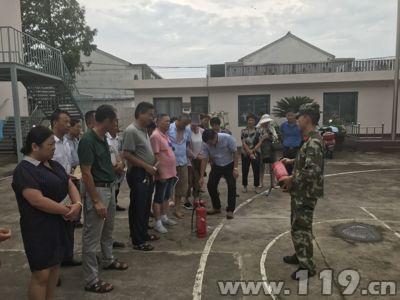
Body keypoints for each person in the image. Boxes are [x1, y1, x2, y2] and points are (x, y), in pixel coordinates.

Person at [12, 126, 82, 300]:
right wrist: (67, 210)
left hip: (60, 224)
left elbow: (69, 183)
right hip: (39, 227)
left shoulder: (53, 164)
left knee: (54, 268)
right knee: (41, 274)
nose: (54, 148)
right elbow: (37, 200)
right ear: (35, 147)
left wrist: (77, 203)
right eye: (50, 144)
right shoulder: (24, 170)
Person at [79, 105, 128, 294]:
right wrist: (97, 200)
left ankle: (107, 260)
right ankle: (91, 279)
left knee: (108, 230)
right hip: (98, 190)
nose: (116, 124)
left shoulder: (102, 139)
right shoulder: (88, 140)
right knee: (92, 237)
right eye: (114, 120)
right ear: (106, 120)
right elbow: (86, 173)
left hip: (109, 187)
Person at [280, 103, 324, 280]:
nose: (297, 120)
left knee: (301, 228)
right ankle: (300, 255)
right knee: (297, 226)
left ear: (307, 118)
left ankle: (307, 266)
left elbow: (313, 171)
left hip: (305, 193)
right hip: (300, 193)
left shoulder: (313, 142)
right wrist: (292, 161)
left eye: (299, 117)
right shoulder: (309, 140)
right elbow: (306, 162)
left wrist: (291, 179)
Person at [122, 102, 159, 251]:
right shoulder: (131, 130)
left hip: (147, 172)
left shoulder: (143, 130)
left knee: (144, 207)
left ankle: (143, 233)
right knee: (138, 206)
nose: (152, 117)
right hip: (139, 173)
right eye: (150, 114)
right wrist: (146, 166)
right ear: (141, 113)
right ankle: (137, 241)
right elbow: (127, 154)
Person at [50, 110, 82, 268]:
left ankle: (67, 257)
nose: (68, 124)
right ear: (55, 123)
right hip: (53, 190)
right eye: (66, 121)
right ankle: (53, 265)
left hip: (68, 186)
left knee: (69, 225)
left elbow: (69, 164)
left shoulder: (66, 143)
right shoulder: (49, 143)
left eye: (69, 121)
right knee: (55, 230)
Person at [199, 129, 239, 219]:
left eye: (212, 142)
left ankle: (230, 210)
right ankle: (216, 207)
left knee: (232, 186)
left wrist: (235, 168)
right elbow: (204, 159)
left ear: (215, 135)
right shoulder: (205, 144)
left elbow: (235, 152)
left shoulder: (227, 138)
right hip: (216, 165)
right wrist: (201, 177)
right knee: (211, 185)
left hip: (229, 164)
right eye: (209, 143)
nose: (211, 144)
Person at [150, 114, 178, 234]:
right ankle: (157, 222)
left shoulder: (165, 135)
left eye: (169, 121)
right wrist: (159, 173)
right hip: (163, 174)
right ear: (158, 122)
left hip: (170, 172)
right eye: (165, 121)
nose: (168, 123)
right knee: (158, 198)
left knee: (166, 197)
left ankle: (164, 217)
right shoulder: (155, 136)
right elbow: (155, 156)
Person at [167, 114, 191, 218]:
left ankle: (177, 209)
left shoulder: (187, 130)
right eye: (183, 124)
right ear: (178, 120)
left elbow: (186, 144)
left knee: (182, 187)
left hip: (183, 162)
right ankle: (164, 211)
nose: (185, 126)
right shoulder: (169, 128)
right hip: (170, 163)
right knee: (167, 186)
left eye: (186, 124)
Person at [106, 119, 126, 212]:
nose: (117, 128)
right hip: (110, 168)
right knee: (110, 188)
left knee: (117, 187)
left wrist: (121, 164)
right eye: (115, 126)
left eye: (117, 126)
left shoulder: (119, 139)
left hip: (119, 167)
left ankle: (115, 203)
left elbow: (122, 152)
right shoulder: (106, 139)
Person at [255, 114, 279, 189]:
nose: (266, 123)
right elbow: (256, 139)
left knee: (272, 166)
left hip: (271, 149)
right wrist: (263, 138)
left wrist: (270, 136)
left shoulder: (271, 128)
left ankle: (273, 183)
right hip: (262, 149)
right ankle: (261, 183)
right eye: (265, 121)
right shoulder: (258, 129)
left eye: (267, 121)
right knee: (261, 166)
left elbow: (276, 138)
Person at [241, 113, 261, 193]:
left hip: (256, 153)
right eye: (249, 120)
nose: (250, 121)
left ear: (255, 121)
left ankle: (256, 186)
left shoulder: (258, 131)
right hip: (245, 153)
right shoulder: (243, 131)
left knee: (256, 170)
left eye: (252, 120)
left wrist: (253, 150)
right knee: (245, 170)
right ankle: (245, 186)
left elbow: (260, 142)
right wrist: (249, 151)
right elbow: (243, 142)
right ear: (247, 121)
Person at [185, 121, 204, 207]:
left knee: (198, 178)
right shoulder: (187, 131)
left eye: (196, 123)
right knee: (189, 179)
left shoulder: (202, 131)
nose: (194, 125)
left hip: (200, 159)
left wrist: (201, 154)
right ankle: (186, 198)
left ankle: (196, 197)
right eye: (193, 123)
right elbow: (186, 147)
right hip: (190, 159)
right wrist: (194, 156)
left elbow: (205, 144)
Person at [280, 110, 302, 175]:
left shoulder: (299, 125)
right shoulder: (283, 125)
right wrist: (284, 143)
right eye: (288, 115)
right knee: (286, 166)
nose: (290, 117)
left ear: (295, 115)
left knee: (297, 165)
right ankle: (287, 181)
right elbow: (281, 135)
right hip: (286, 148)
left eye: (291, 115)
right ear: (286, 116)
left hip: (297, 148)